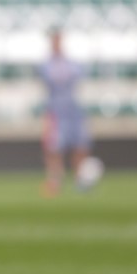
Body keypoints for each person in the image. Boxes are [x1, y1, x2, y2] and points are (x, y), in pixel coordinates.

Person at [38, 28, 94, 196]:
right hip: (56, 110)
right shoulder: (45, 65)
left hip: (73, 109)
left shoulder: (72, 64)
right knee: (54, 148)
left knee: (80, 145)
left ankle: (80, 180)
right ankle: (55, 180)